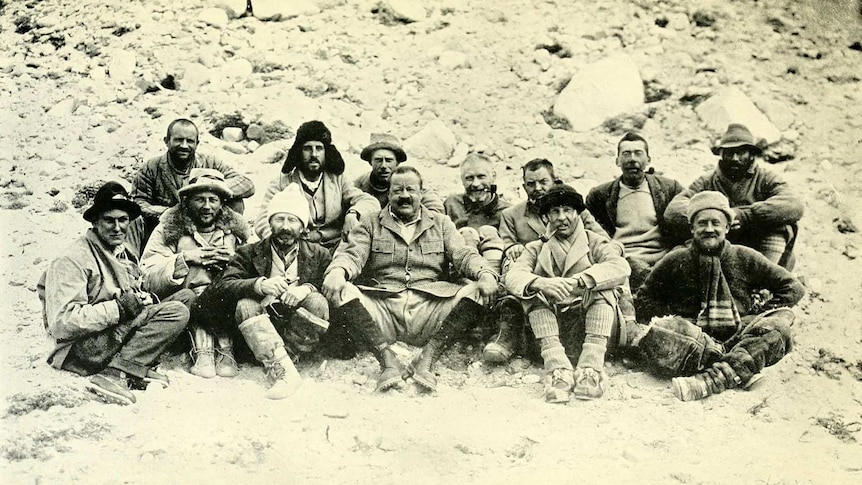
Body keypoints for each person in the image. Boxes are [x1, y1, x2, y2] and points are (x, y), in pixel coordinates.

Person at [322, 165, 499, 393]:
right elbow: (352, 255)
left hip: (430, 308)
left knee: (477, 291)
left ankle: (428, 357)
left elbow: (463, 254)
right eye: (397, 190)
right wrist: (338, 271)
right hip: (384, 309)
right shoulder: (370, 222)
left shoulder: (441, 223)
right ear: (389, 193)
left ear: (421, 192)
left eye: (410, 190)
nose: (404, 195)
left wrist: (484, 272)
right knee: (342, 290)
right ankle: (386, 358)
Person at [634, 191, 805, 401]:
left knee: (779, 328)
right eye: (702, 223)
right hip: (693, 340)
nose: (709, 229)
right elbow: (644, 298)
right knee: (662, 331)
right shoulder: (676, 258)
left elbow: (792, 287)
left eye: (716, 223)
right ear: (692, 228)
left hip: (738, 334)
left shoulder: (745, 256)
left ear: (727, 227)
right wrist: (676, 320)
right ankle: (738, 368)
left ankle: (710, 380)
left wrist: (756, 315)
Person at [38, 182, 193, 406]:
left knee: (185, 298)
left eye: (123, 220)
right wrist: (120, 308)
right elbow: (62, 323)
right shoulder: (72, 260)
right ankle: (114, 373)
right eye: (109, 220)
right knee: (176, 311)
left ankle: (133, 367)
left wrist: (142, 298)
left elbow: (131, 289)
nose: (117, 227)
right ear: (95, 222)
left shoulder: (121, 251)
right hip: (79, 348)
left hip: (110, 333)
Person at [194, 184, 332, 399]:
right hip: (258, 331)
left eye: (292, 220)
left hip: (298, 333)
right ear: (269, 223)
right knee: (246, 303)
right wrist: (258, 285)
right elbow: (219, 288)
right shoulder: (249, 253)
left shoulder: (320, 254)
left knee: (318, 301)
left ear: (303, 226)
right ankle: (282, 371)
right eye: (279, 219)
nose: (285, 227)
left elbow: (330, 284)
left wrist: (307, 288)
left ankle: (289, 361)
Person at [504, 184, 631, 403]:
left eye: (567, 211)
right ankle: (557, 370)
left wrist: (582, 279)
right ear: (547, 218)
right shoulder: (536, 247)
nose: (562, 217)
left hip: (593, 329)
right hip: (552, 334)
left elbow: (620, 267)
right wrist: (540, 282)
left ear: (578, 213)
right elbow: (513, 276)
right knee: (531, 292)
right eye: (555, 211)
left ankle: (591, 370)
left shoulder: (594, 241)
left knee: (604, 288)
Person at [487, 158, 608, 364]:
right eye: (531, 184)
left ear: (555, 181)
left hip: (575, 278)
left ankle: (625, 328)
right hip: (537, 275)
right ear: (524, 186)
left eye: (543, 182)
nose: (537, 188)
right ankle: (508, 333)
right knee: (512, 268)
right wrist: (513, 248)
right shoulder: (511, 215)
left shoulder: (576, 210)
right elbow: (507, 244)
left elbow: (603, 240)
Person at [140, 168, 250, 379]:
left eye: (213, 200)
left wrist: (233, 261)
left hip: (226, 306)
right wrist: (186, 259)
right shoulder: (168, 229)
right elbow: (147, 274)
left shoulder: (237, 232)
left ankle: (226, 349)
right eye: (200, 199)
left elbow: (257, 264)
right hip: (186, 308)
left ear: (222, 204)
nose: (207, 206)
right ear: (187, 201)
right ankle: (203, 350)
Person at [664, 123, 803, 269]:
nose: (735, 158)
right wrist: (719, 216)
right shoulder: (706, 181)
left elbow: (794, 204)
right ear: (721, 154)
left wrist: (746, 216)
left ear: (751, 155)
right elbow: (674, 210)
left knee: (782, 223)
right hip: (720, 244)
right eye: (729, 152)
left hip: (758, 246)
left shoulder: (766, 177)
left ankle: (765, 280)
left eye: (741, 152)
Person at [254, 120, 380, 249]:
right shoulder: (282, 183)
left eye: (319, 148)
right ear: (298, 152)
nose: (314, 154)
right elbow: (263, 220)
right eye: (307, 149)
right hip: (299, 248)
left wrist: (353, 213)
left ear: (326, 152)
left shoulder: (337, 179)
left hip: (336, 245)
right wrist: (281, 243)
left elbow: (369, 202)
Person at [131, 118, 255, 249]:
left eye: (190, 141)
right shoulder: (151, 167)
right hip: (168, 228)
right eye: (178, 140)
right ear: (167, 141)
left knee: (235, 203)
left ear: (197, 143)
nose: (184, 145)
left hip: (206, 225)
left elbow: (246, 184)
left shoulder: (210, 163)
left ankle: (228, 249)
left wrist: (210, 188)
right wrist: (172, 212)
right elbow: (138, 202)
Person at [585, 133, 685, 288]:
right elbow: (590, 233)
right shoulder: (600, 194)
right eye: (626, 154)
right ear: (617, 161)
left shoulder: (669, 188)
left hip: (664, 259)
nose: (632, 159)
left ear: (648, 160)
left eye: (638, 153)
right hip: (623, 261)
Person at [443, 152, 511, 270]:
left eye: (481, 176)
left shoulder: (507, 211)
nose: (475, 184)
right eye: (469, 178)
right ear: (462, 180)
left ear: (493, 176)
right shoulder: (452, 204)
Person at [354, 133, 444, 212]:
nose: (383, 166)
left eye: (389, 160)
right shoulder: (360, 184)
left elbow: (435, 207)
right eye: (378, 160)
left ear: (397, 163)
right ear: (370, 162)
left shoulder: (410, 179)